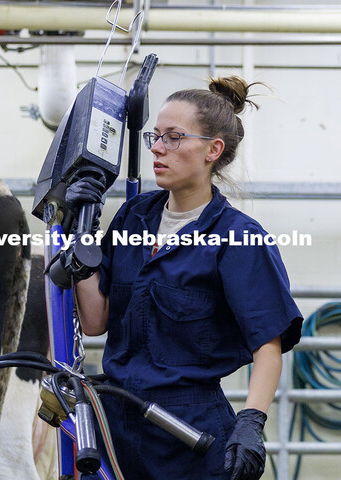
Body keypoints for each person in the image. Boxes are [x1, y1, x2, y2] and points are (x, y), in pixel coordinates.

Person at [66, 76, 303, 480]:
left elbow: (268, 346)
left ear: (214, 150)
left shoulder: (239, 237)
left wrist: (251, 422)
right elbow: (94, 320)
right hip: (115, 426)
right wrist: (79, 232)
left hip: (190, 436)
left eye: (174, 138)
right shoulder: (133, 216)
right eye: (155, 137)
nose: (158, 148)